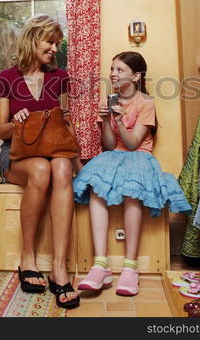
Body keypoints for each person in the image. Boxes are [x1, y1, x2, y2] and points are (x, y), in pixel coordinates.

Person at [73, 51, 191, 296]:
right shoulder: (109, 101)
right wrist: (107, 121)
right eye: (112, 69)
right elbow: (108, 144)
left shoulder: (145, 103)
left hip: (139, 157)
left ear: (136, 76)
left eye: (119, 70)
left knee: (132, 192)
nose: (113, 74)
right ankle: (100, 264)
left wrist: (117, 119)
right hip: (113, 156)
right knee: (96, 190)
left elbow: (134, 143)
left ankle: (130, 267)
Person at [0, 14, 80, 309]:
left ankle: (59, 268)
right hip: (16, 153)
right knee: (42, 169)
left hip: (52, 150)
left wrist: (77, 159)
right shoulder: (6, 78)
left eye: (57, 43)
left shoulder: (61, 78)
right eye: (50, 41)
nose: (55, 48)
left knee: (60, 166)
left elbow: (65, 123)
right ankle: (27, 257)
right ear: (33, 39)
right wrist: (17, 122)